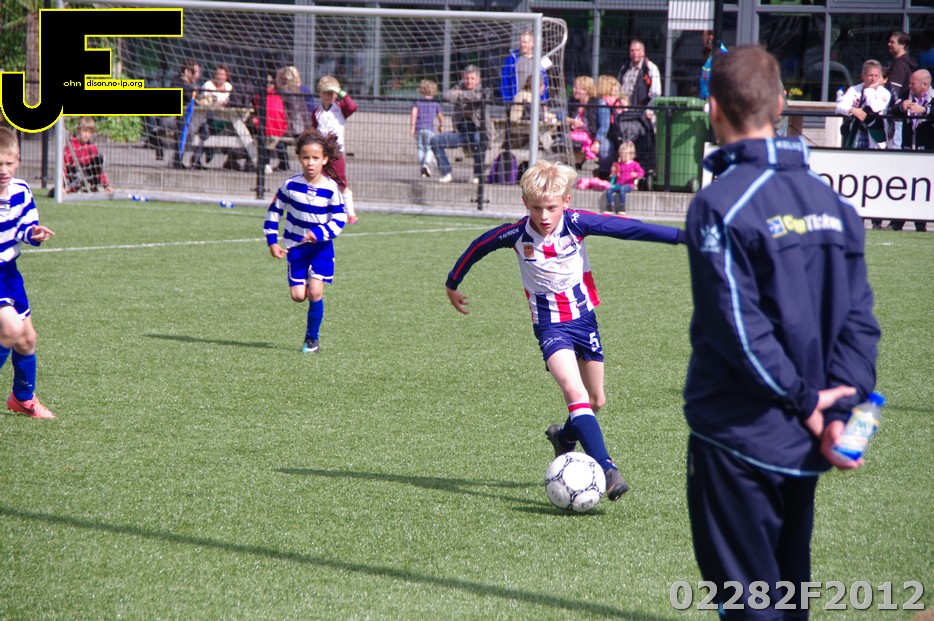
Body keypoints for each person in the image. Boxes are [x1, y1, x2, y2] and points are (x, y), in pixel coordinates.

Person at [683, 45, 880, 619]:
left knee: (750, 606)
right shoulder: (833, 204)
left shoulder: (719, 204)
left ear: (714, 109)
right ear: (778, 106)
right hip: (808, 440)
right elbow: (861, 323)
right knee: (790, 599)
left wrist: (808, 402)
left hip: (739, 438)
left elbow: (738, 330)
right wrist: (839, 408)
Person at [444, 159, 686, 502]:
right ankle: (607, 468)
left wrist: (680, 236)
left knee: (596, 400)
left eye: (551, 208)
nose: (544, 216)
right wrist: (452, 283)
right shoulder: (516, 235)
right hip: (549, 327)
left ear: (566, 202)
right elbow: (478, 246)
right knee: (575, 392)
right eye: (537, 208)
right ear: (525, 203)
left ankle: (564, 437)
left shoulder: (576, 224)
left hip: (584, 320)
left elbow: (627, 228)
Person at [263, 129, 348, 354]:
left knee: (315, 293)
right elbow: (274, 212)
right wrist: (272, 241)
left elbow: (340, 219)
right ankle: (309, 284)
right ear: (299, 158)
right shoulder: (290, 185)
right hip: (296, 248)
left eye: (316, 158)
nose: (311, 163)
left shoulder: (330, 188)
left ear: (325, 159)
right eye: (306, 157)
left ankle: (312, 340)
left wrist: (319, 233)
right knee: (298, 296)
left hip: (321, 248)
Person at [0, 127, 58, 419]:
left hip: (9, 274)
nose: (3, 170)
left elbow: (24, 226)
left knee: (26, 339)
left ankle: (22, 399)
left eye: (8, 163)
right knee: (10, 328)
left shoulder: (21, 191)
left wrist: (34, 233)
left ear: (18, 160)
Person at [430, 65, 492, 185]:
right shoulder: (458, 86)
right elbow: (447, 95)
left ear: (478, 80)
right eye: (467, 78)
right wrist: (465, 95)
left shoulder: (484, 89)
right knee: (435, 141)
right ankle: (446, 172)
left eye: (472, 79)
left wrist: (461, 94)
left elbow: (479, 97)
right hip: (461, 133)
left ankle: (477, 174)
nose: (469, 81)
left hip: (478, 131)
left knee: (478, 140)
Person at [312, 75, 359, 224]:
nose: (328, 96)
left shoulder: (340, 109)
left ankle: (350, 214)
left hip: (336, 152)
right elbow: (314, 129)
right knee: (319, 181)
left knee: (341, 182)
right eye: (325, 93)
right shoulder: (317, 111)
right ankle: (321, 211)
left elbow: (353, 106)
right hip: (321, 153)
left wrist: (340, 92)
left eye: (331, 93)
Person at [890, 68, 933, 232]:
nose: (909, 85)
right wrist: (901, 107)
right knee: (904, 184)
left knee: (922, 186)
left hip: (926, 149)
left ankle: (920, 223)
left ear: (924, 85)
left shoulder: (932, 98)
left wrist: (925, 111)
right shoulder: (906, 95)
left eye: (913, 83)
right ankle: (897, 222)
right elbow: (891, 110)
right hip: (907, 148)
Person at [836, 59, 891, 150]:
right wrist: (853, 110)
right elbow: (839, 107)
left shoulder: (884, 93)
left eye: (876, 76)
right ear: (863, 75)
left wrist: (869, 90)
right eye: (870, 75)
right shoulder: (854, 90)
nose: (873, 79)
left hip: (876, 140)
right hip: (856, 136)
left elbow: (874, 108)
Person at [567, 76, 612, 178]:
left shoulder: (600, 103)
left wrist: (597, 142)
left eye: (577, 88)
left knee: (605, 149)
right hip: (575, 135)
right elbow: (560, 114)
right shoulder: (572, 101)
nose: (574, 90)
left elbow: (604, 126)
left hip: (595, 135)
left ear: (586, 90)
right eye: (574, 87)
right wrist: (571, 121)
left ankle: (603, 176)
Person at [885, 31, 918, 151]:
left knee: (894, 149)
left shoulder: (900, 64)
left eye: (892, 42)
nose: (889, 44)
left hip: (897, 116)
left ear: (902, 45)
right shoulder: (909, 62)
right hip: (904, 114)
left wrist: (891, 108)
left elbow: (894, 91)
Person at [62, 117, 113, 194]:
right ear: (78, 130)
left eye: (89, 132)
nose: (86, 135)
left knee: (99, 159)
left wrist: (106, 185)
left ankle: (91, 187)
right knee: (79, 173)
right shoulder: (71, 146)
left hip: (88, 175)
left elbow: (99, 170)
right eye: (84, 131)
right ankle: (71, 188)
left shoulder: (92, 148)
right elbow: (64, 166)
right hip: (75, 175)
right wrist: (62, 185)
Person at [617, 39, 661, 125]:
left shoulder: (650, 68)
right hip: (624, 113)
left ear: (643, 52)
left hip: (642, 114)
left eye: (637, 50)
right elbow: (617, 87)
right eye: (632, 50)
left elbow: (656, 93)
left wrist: (649, 110)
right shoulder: (624, 68)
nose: (634, 53)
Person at [168, 58, 201, 170]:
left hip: (185, 119)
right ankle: (177, 160)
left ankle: (195, 160)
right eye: (195, 72)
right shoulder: (177, 82)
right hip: (171, 119)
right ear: (187, 71)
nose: (197, 75)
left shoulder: (191, 86)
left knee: (203, 128)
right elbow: (188, 96)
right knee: (186, 129)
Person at [500, 30, 548, 104]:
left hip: (535, 102)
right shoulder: (511, 60)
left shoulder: (540, 60)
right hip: (517, 101)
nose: (522, 45)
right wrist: (508, 101)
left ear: (532, 44)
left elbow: (545, 83)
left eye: (525, 42)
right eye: (521, 42)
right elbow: (505, 82)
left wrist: (544, 101)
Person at [410, 79, 443, 178]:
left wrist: (412, 128)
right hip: (430, 128)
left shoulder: (417, 102)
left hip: (419, 128)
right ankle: (426, 164)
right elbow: (440, 116)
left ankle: (423, 168)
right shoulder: (435, 103)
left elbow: (414, 115)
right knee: (430, 148)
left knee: (421, 148)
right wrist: (440, 125)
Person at [605, 141, 643, 214]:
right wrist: (613, 171)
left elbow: (641, 172)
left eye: (625, 156)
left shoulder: (634, 164)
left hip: (629, 185)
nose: (623, 158)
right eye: (621, 156)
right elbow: (615, 173)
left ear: (631, 155)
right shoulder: (619, 164)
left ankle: (622, 207)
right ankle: (610, 205)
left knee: (622, 189)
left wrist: (636, 174)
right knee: (609, 189)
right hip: (619, 184)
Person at [699, 30, 728, 101]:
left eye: (704, 37)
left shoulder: (721, 53)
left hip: (714, 98)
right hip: (706, 98)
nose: (704, 40)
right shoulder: (710, 56)